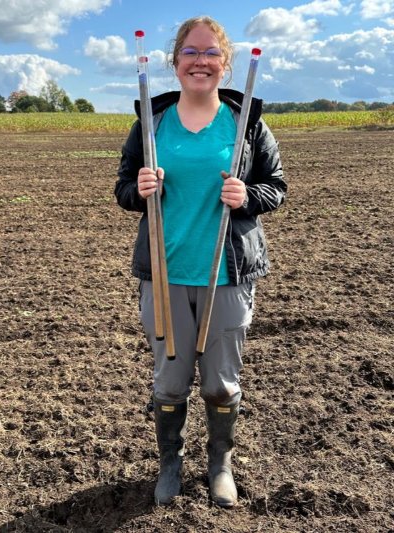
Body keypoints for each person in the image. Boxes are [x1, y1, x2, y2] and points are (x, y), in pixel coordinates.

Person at [115, 16, 287, 507]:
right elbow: (124, 187)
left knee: (219, 381)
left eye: (210, 53)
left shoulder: (247, 124)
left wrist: (247, 195)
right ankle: (170, 463)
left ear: (225, 63)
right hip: (165, 273)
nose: (200, 61)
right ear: (175, 62)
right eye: (190, 52)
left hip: (227, 275)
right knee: (169, 379)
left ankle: (220, 463)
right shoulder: (150, 123)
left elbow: (276, 186)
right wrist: (139, 190)